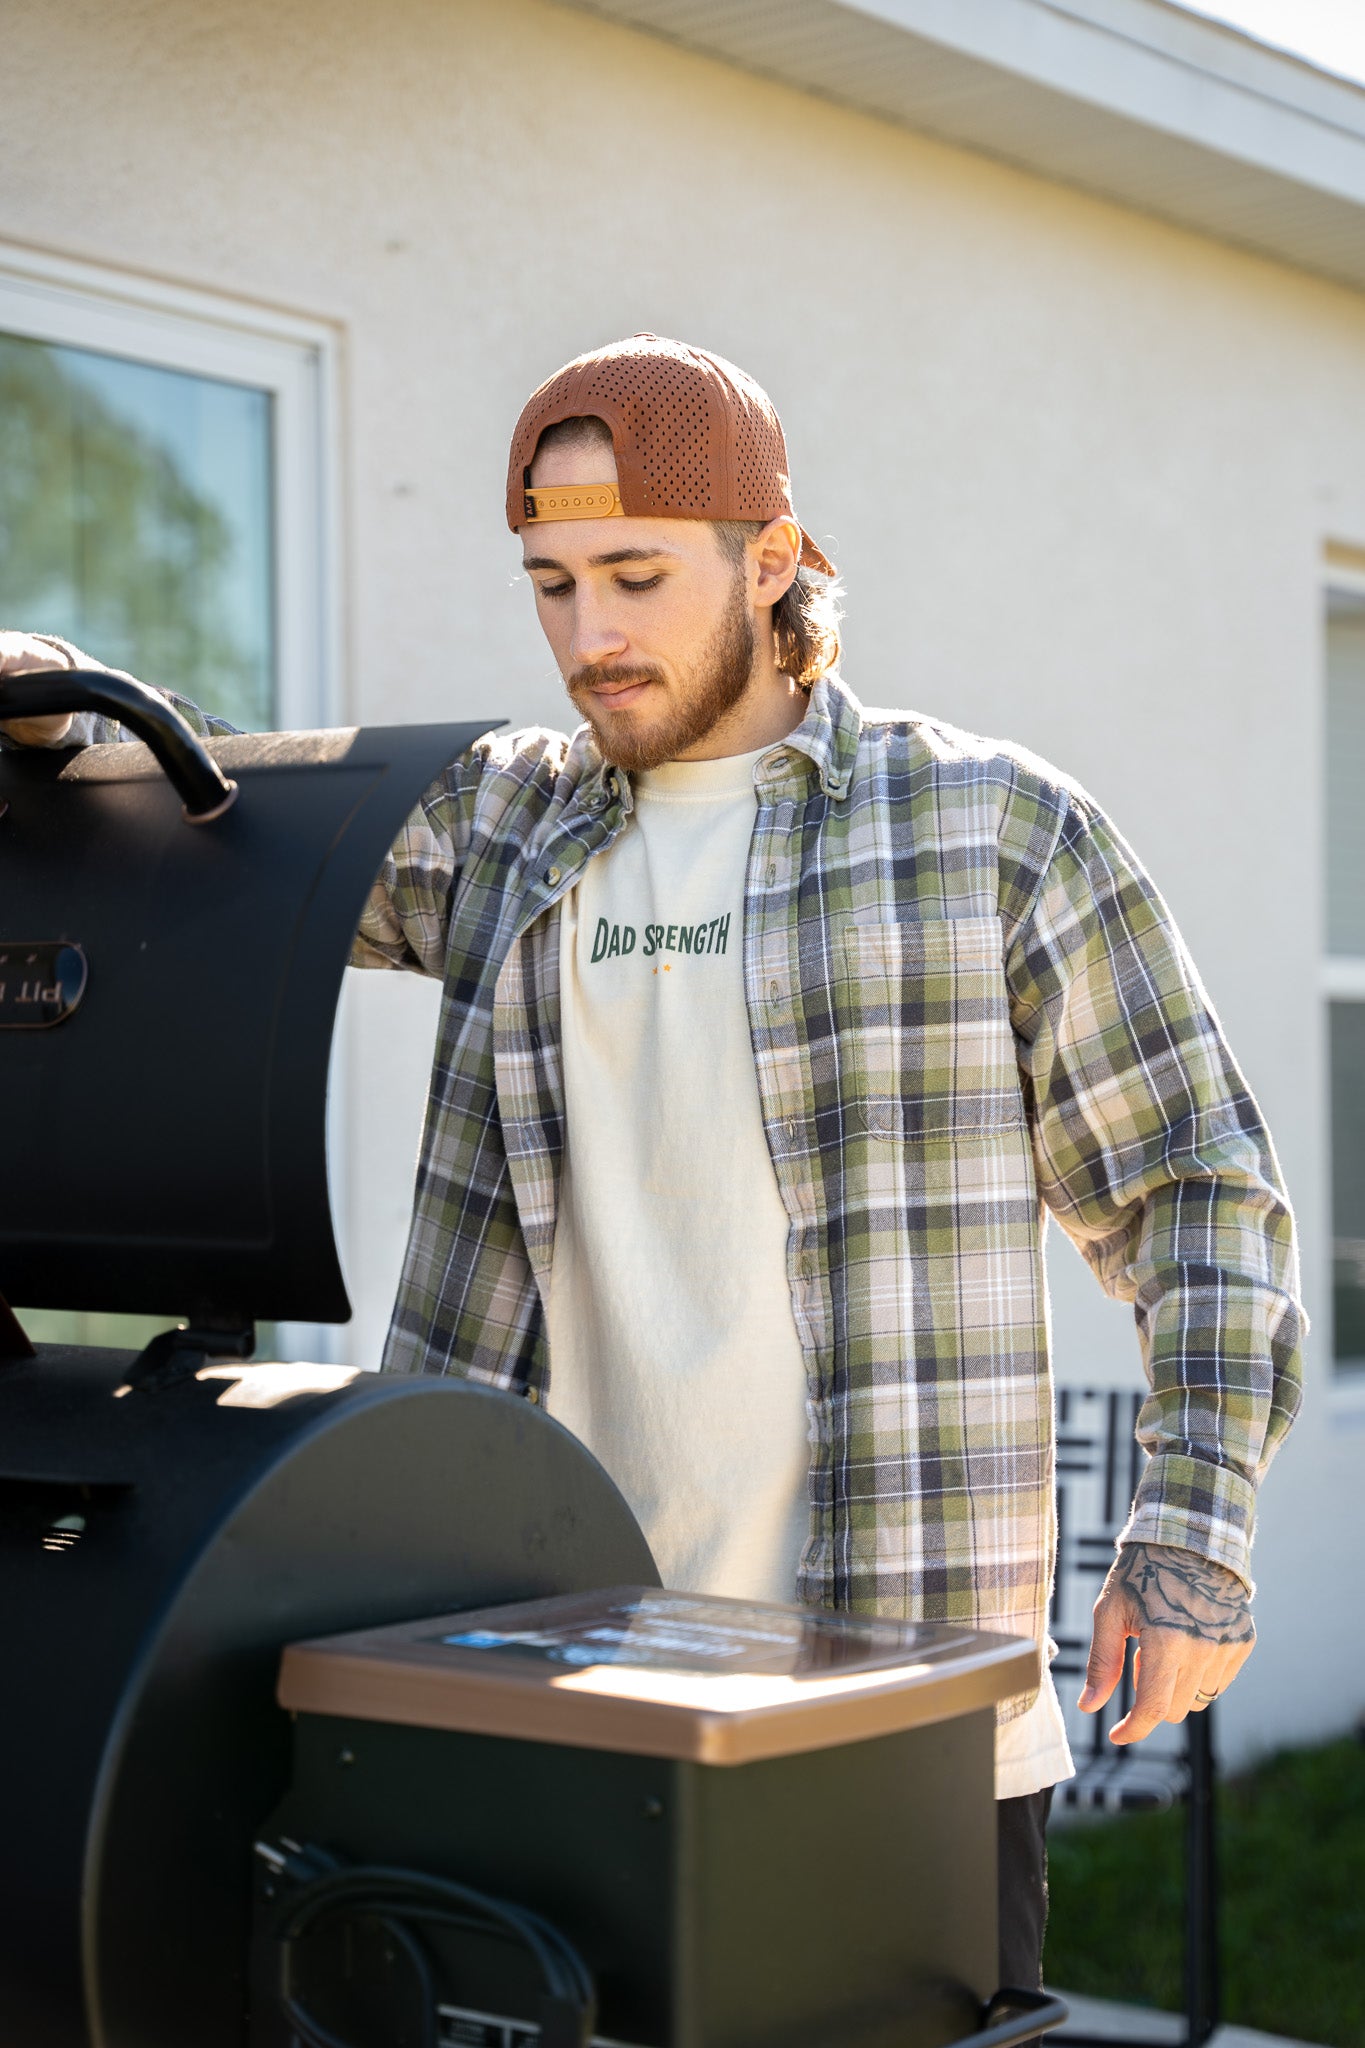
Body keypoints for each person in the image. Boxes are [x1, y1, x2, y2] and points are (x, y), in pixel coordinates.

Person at [0, 332, 1303, 1991]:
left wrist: (1188, 1532)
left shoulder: (991, 829)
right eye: (548, 582)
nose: (588, 635)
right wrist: (54, 701)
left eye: (632, 573)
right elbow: (218, 812)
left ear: (771, 562)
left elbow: (1195, 1190)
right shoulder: (495, 825)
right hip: (522, 1678)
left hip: (886, 1705)